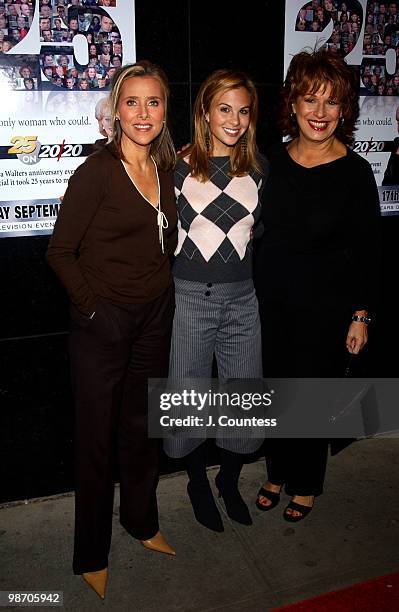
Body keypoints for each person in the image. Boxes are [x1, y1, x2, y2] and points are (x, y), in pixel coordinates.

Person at [47, 60, 178, 600]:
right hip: (103, 323)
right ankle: (91, 553)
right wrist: (94, 308)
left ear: (165, 110)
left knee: (142, 426)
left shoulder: (167, 167)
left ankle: (141, 522)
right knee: (98, 442)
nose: (143, 113)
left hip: (154, 316)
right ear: (115, 110)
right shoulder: (96, 172)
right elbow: (60, 253)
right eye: (132, 102)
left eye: (153, 102)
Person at [254, 48, 380, 522]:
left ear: (344, 109)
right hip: (272, 303)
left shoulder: (355, 172)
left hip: (326, 309)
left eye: (331, 102)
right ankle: (278, 470)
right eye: (310, 100)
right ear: (293, 104)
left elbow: (370, 251)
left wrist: (361, 315)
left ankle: (305, 483)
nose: (320, 113)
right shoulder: (271, 163)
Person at [164, 70, 267, 532]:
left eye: (243, 110)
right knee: (188, 400)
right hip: (191, 298)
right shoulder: (177, 167)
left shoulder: (258, 169)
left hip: (243, 300)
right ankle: (196, 483)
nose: (235, 119)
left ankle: (227, 480)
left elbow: (255, 234)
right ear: (205, 111)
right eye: (224, 109)